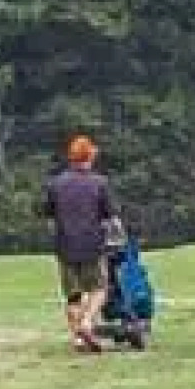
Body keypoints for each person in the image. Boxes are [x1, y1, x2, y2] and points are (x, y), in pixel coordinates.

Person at [40, 135, 120, 353]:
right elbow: (111, 217)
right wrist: (117, 237)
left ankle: (77, 338)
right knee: (99, 289)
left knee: (73, 295)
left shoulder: (55, 184)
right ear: (90, 157)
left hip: (65, 246)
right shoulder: (99, 183)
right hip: (92, 246)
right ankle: (86, 323)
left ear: (71, 157)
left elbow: (49, 217)